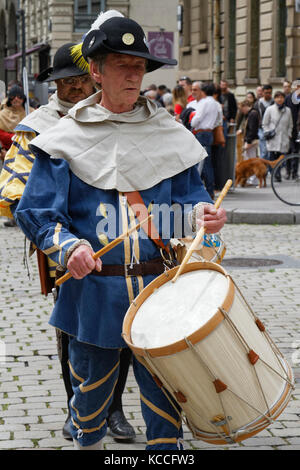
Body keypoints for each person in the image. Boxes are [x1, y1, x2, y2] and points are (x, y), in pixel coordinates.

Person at [15, 12, 226, 451]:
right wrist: (67, 246)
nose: (134, 75)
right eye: (122, 65)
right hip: (94, 295)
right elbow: (36, 212)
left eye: (139, 66)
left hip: (160, 291)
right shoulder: (63, 138)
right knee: (89, 407)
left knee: (167, 409)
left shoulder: (169, 133)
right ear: (97, 70)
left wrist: (202, 215)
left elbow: (189, 199)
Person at [0, 42, 136, 443]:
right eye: (68, 82)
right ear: (55, 85)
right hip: (65, 245)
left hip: (118, 240)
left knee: (124, 323)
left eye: (82, 80)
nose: (77, 88)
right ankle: (77, 406)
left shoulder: (117, 117)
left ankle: (113, 409)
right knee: (74, 329)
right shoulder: (38, 126)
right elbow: (12, 187)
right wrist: (48, 202)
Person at [190, 82, 221, 200]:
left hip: (201, 132)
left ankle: (208, 190)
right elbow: (218, 119)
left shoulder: (205, 102)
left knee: (202, 164)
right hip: (208, 132)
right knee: (207, 163)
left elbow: (196, 119)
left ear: (203, 91)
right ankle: (210, 189)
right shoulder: (215, 103)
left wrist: (192, 123)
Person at [262, 91, 293, 182]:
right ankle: (275, 174)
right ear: (275, 99)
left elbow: (290, 124)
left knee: (281, 157)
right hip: (273, 138)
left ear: (284, 99)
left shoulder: (288, 110)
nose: (279, 99)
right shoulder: (270, 109)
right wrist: (268, 132)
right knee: (272, 157)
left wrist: (289, 134)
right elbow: (265, 123)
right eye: (277, 97)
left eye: (281, 97)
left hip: (284, 138)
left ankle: (278, 173)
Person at [0, 85, 27, 152]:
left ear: (23, 98)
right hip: (9, 150)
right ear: (9, 99)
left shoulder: (30, 112)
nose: (16, 99)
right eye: (13, 97)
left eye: (19, 96)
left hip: (27, 151)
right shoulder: (2, 114)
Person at [284, 79, 300, 179]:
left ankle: (294, 172)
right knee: (289, 150)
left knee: (296, 151)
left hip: (298, 128)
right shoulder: (288, 98)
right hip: (290, 128)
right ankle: (288, 171)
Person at [254, 84, 274, 160]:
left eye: (270, 93)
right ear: (262, 92)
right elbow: (254, 117)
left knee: (271, 151)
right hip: (261, 129)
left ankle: (270, 170)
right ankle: (263, 170)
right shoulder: (258, 103)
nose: (268, 95)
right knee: (264, 151)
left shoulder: (274, 102)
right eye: (266, 93)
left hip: (272, 129)